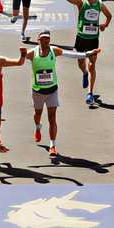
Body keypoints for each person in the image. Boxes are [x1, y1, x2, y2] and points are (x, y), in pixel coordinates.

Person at [29, 29, 100, 157]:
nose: (46, 41)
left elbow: (71, 54)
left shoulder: (53, 50)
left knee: (52, 118)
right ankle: (38, 127)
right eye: (44, 38)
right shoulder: (32, 53)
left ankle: (52, 145)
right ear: (38, 40)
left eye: (48, 39)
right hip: (38, 92)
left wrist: (87, 54)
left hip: (52, 90)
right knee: (37, 114)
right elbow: (18, 62)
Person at [64, 0, 113, 107]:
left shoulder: (99, 4)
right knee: (81, 63)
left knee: (92, 65)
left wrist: (104, 25)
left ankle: (90, 93)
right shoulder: (81, 3)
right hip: (81, 38)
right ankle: (84, 73)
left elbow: (109, 16)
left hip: (93, 39)